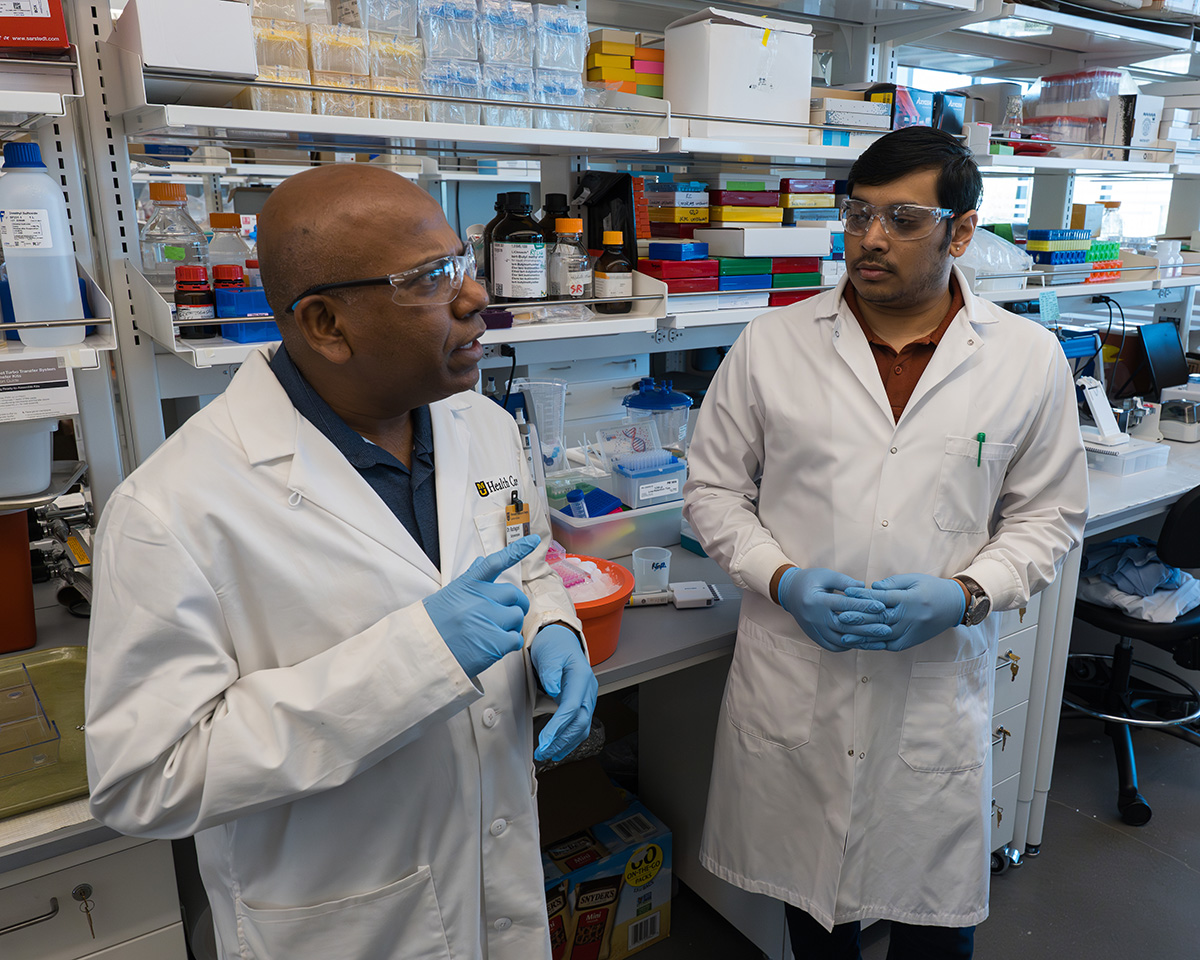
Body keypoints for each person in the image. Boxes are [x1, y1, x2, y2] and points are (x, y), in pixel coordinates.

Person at [84, 164, 597, 960]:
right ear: (326, 323)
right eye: (429, 279)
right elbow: (146, 778)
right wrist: (414, 660)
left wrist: (551, 628)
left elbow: (521, 566)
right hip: (344, 921)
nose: (474, 297)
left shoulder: (484, 426)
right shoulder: (172, 509)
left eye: (461, 264)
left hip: (496, 884)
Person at [682, 127, 1089, 960]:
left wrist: (966, 594)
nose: (871, 238)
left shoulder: (1027, 359)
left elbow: (1049, 517)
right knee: (814, 921)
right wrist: (782, 579)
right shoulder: (772, 343)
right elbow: (713, 490)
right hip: (800, 674)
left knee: (935, 927)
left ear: (960, 232)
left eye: (903, 219)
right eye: (858, 213)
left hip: (931, 686)